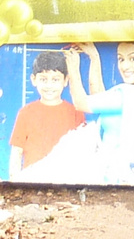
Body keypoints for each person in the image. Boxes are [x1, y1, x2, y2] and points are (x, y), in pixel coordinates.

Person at [64, 41, 134, 182]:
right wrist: (94, 57)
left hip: (113, 174)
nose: (125, 66)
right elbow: (99, 97)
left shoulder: (132, 94)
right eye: (121, 59)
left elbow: (81, 103)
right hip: (122, 173)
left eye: (133, 58)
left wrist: (72, 68)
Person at [8, 50, 85, 178]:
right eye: (43, 79)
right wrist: (14, 181)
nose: (49, 85)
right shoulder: (25, 113)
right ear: (33, 80)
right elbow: (17, 151)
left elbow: (82, 151)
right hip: (33, 179)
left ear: (66, 80)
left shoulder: (76, 112)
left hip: (65, 178)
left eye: (55, 80)